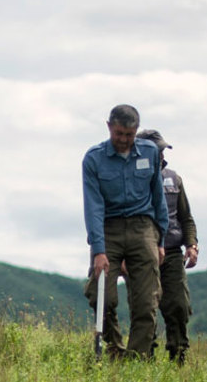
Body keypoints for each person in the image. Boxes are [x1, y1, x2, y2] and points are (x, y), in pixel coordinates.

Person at [82, 105, 169, 359]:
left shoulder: (151, 152)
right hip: (108, 229)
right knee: (101, 296)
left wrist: (160, 240)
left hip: (144, 229)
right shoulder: (93, 159)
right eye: (119, 133)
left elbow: (158, 197)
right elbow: (93, 207)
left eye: (129, 135)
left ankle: (137, 358)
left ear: (136, 131)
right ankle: (115, 349)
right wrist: (99, 250)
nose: (123, 140)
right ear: (109, 127)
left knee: (146, 301)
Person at [138, 129, 199, 365]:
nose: (162, 154)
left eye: (163, 150)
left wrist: (192, 244)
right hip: (143, 253)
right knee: (146, 308)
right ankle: (145, 360)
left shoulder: (175, 179)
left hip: (173, 253)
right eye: (157, 150)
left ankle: (178, 359)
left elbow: (186, 218)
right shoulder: (135, 180)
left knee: (178, 306)